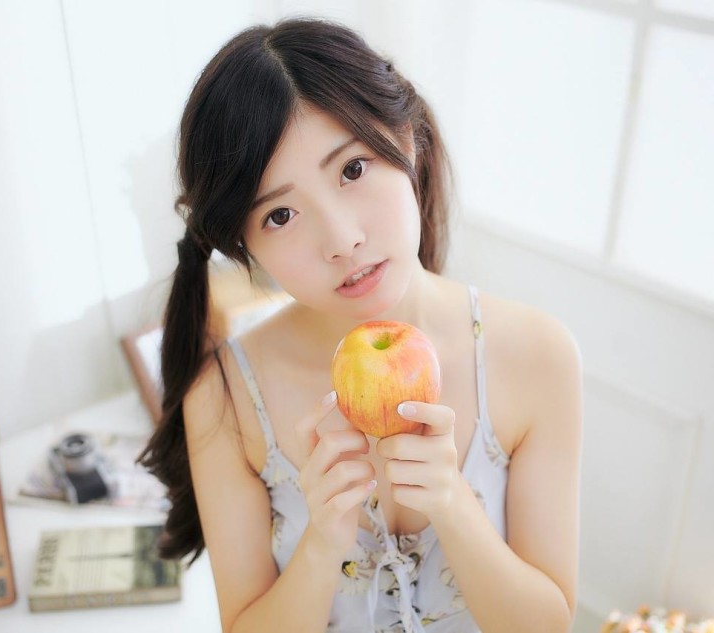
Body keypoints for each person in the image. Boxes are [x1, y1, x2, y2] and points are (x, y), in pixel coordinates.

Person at [140, 17, 582, 633]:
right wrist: (323, 540)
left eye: (352, 169)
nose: (342, 240)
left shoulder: (536, 355)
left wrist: (452, 504)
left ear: (407, 139)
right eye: (281, 214)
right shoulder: (226, 396)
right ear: (243, 247)